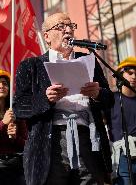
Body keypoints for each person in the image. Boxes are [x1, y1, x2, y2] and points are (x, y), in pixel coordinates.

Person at [13, 12, 114, 185]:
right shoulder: (31, 66)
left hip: (88, 139)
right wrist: (45, 98)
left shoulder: (88, 60)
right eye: (61, 27)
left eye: (70, 26)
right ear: (47, 37)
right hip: (50, 143)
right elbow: (19, 108)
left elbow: (109, 100)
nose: (67, 30)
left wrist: (98, 94)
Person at [107, 57, 136, 185]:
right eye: (130, 73)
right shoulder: (110, 99)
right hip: (122, 155)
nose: (134, 76)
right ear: (120, 74)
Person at [0, 69, 27, 185]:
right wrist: (3, 124)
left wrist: (15, 138)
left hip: (16, 166)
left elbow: (26, 144)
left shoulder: (15, 112)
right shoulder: (7, 118)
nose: (1, 86)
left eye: (5, 83)